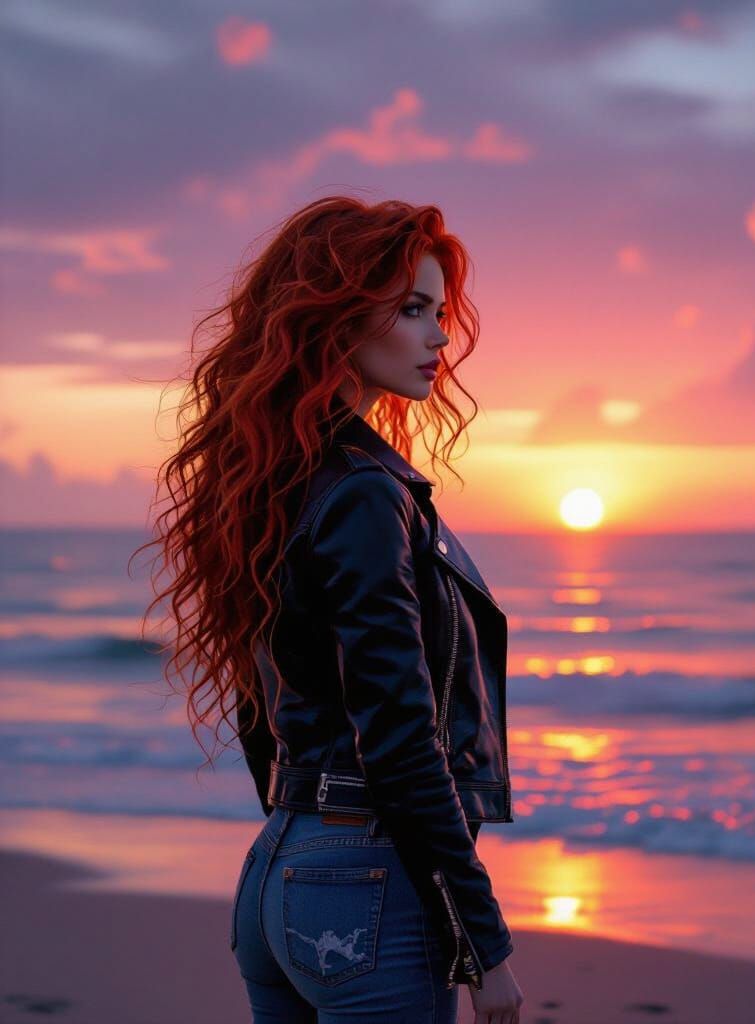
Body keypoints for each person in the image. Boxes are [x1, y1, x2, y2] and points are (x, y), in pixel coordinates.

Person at [134, 195, 524, 1023]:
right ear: (339, 315)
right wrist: (481, 941)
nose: (439, 337)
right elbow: (398, 728)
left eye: (440, 312)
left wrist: (308, 849)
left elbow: (259, 706)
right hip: (363, 888)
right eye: (413, 309)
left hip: (279, 871)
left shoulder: (276, 485)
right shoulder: (363, 493)